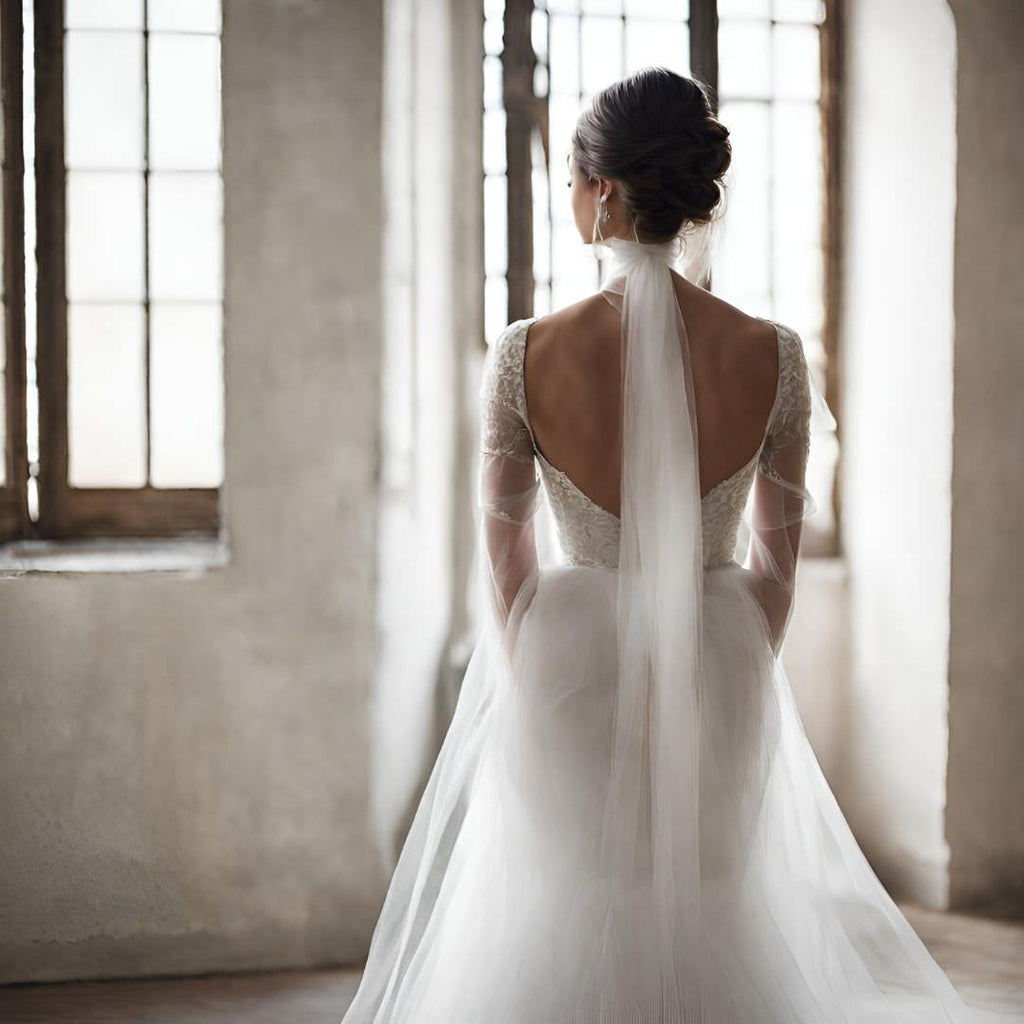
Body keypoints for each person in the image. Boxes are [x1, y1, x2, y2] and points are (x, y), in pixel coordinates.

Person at [342, 67, 1020, 1023]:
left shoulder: (524, 354)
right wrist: (730, 648)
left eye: (574, 180)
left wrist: (542, 649)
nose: (571, 198)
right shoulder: (775, 355)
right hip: (723, 654)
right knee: (712, 902)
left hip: (568, 658)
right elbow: (778, 568)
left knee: (569, 902)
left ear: (606, 189)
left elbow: (505, 553)